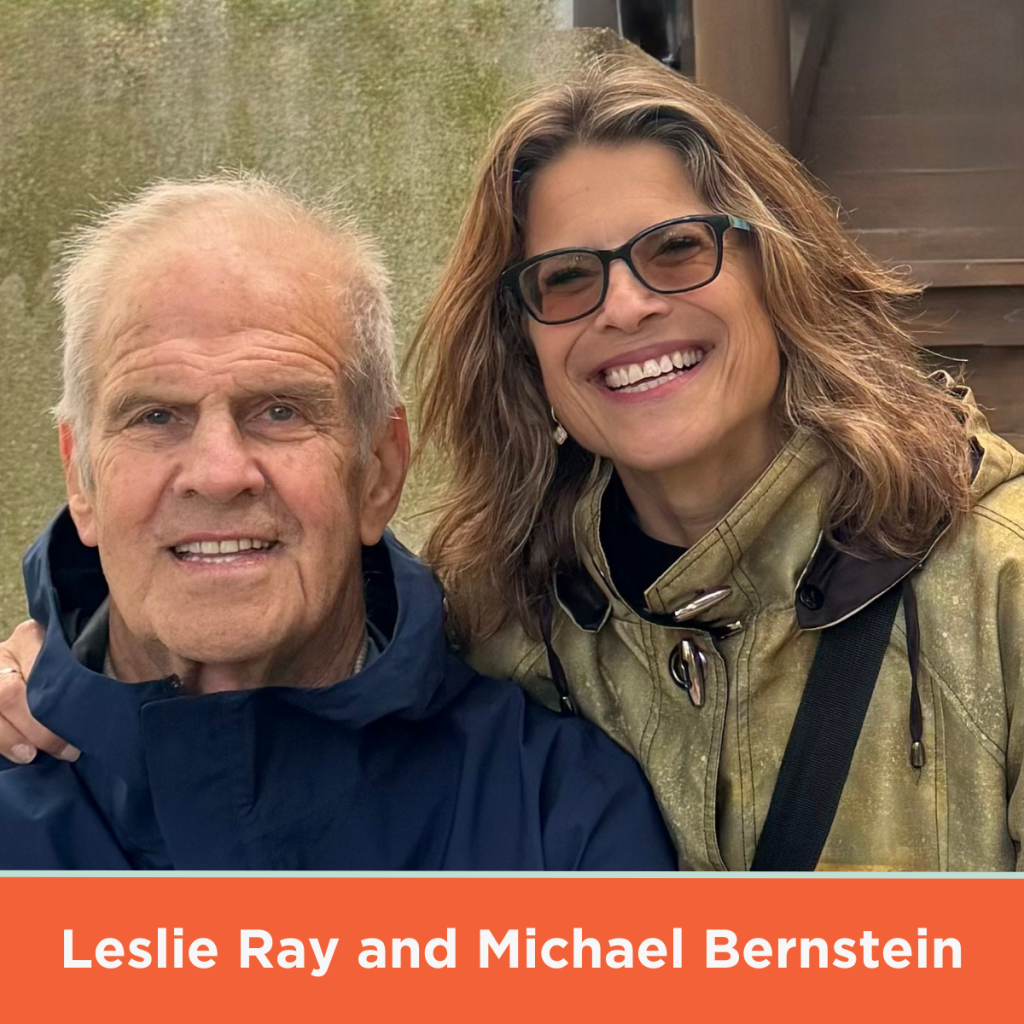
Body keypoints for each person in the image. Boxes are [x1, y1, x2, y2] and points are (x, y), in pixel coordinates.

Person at [3, 59, 1021, 872]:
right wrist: (51, 675)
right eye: (569, 279)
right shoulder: (507, 618)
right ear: (78, 479)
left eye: (676, 251)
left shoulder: (994, 590)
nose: (625, 306)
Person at [0, 174, 677, 870]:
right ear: (80, 477)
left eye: (280, 411)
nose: (219, 472)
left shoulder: (557, 817)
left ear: (379, 471)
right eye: (155, 416)